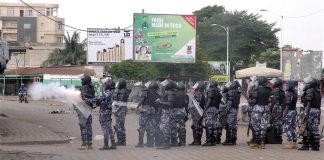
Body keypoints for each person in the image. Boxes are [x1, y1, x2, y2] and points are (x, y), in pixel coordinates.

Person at [85, 79, 117, 150]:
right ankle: (113, 144)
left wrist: (86, 99)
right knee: (109, 128)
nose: (105, 85)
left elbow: (97, 99)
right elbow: (102, 101)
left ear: (108, 85)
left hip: (104, 113)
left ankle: (106, 145)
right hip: (108, 113)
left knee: (105, 129)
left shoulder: (107, 93)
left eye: (106, 84)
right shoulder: (112, 93)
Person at [248, 76, 272, 149]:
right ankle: (262, 143)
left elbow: (253, 99)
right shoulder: (269, 89)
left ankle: (257, 142)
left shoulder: (256, 89)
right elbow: (270, 100)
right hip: (266, 107)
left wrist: (250, 101)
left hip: (258, 108)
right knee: (263, 125)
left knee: (256, 125)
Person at [298, 77, 321, 151]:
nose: (304, 85)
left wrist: (305, 113)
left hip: (310, 110)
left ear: (310, 84)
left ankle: (305, 145)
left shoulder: (309, 91)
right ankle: (316, 145)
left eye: (306, 83)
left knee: (305, 127)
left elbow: (309, 103)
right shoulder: (317, 91)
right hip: (316, 110)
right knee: (315, 128)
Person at [135, 81, 159, 148]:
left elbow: (142, 99)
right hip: (153, 110)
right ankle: (150, 143)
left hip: (145, 109)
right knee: (151, 126)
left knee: (142, 126)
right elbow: (158, 104)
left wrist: (137, 107)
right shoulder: (157, 95)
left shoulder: (146, 91)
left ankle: (140, 143)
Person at [155, 79, 176, 149]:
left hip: (167, 112)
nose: (163, 85)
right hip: (165, 112)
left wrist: (160, 102)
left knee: (166, 127)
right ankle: (166, 142)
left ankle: (166, 144)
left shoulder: (170, 92)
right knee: (164, 127)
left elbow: (170, 103)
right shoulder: (167, 92)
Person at [201, 80, 222, 146]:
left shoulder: (211, 91)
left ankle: (209, 141)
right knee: (214, 125)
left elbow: (209, 101)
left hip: (211, 109)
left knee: (209, 124)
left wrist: (204, 110)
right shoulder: (218, 92)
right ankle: (213, 140)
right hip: (216, 109)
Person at [78, 75, 95, 150]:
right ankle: (90, 143)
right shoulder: (92, 88)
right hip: (89, 109)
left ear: (85, 81)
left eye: (83, 80)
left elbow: (82, 98)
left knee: (83, 126)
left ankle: (84, 143)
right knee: (88, 126)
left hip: (83, 109)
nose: (81, 81)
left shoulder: (83, 88)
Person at [222, 81, 241, 145]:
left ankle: (229, 140)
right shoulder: (238, 93)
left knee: (229, 125)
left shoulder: (230, 92)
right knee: (234, 125)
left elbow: (229, 103)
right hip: (235, 110)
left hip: (230, 111)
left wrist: (225, 111)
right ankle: (233, 140)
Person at [171, 82, 189, 146]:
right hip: (182, 111)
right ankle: (183, 142)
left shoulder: (174, 94)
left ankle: (174, 142)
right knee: (182, 127)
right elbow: (186, 105)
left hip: (175, 111)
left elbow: (172, 104)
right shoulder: (186, 95)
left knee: (174, 127)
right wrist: (187, 114)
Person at [112, 78, 129, 146]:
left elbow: (121, 103)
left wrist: (116, 111)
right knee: (118, 125)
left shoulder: (123, 91)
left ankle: (122, 141)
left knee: (120, 125)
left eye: (118, 83)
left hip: (120, 110)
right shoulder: (120, 90)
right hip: (119, 109)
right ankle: (120, 140)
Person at [189, 81, 205, 146]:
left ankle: (197, 141)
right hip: (200, 113)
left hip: (197, 113)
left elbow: (196, 106)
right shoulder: (202, 94)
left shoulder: (198, 94)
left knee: (196, 126)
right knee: (199, 126)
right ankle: (197, 140)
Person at [269, 78, 285, 144]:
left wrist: (272, 109)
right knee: (279, 123)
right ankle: (279, 137)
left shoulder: (276, 91)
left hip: (277, 107)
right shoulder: (282, 91)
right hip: (280, 108)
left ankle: (276, 138)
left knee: (276, 122)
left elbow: (275, 101)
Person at [282, 80, 298, 149]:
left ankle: (290, 142)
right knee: (293, 127)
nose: (286, 86)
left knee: (287, 127)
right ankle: (294, 142)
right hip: (294, 111)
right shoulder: (295, 93)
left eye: (286, 85)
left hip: (289, 112)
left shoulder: (288, 94)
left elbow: (287, 105)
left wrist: (284, 115)